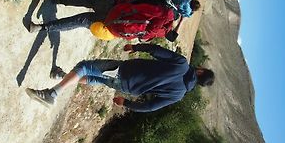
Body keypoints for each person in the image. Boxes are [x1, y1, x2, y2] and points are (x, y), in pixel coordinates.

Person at [25, 43, 215, 112]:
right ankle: (62, 76)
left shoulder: (182, 64)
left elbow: (156, 51)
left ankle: (52, 94)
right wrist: (126, 103)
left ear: (200, 72)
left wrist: (135, 47)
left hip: (125, 71)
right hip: (127, 88)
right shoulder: (178, 95)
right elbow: (150, 106)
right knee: (94, 79)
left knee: (85, 66)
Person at [27, 0, 200, 41]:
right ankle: (42, 28)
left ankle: (60, 0)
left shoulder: (163, 11)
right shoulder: (161, 32)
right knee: (80, 21)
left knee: (88, 0)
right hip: (113, 27)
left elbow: (141, 3)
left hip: (118, 5)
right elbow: (143, 37)